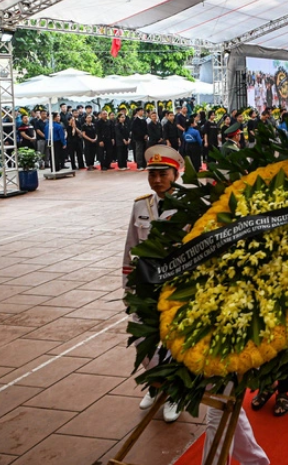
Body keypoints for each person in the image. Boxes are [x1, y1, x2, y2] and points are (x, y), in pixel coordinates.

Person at [122, 146, 186, 424]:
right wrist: (128, 285)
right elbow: (131, 246)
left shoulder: (189, 204)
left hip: (178, 284)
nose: (157, 180)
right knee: (143, 338)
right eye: (152, 174)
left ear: (176, 174)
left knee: (174, 339)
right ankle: (156, 383)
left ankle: (176, 393)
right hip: (148, 284)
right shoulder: (141, 205)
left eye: (163, 174)